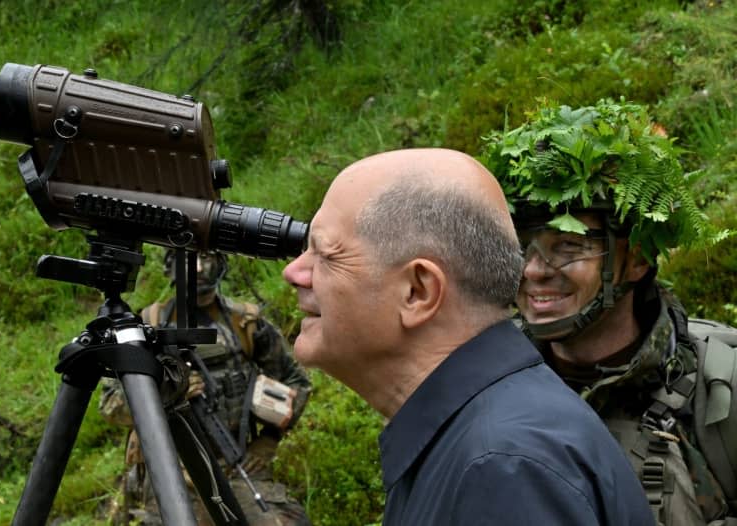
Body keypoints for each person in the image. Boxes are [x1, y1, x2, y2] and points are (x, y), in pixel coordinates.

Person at [282, 147, 655, 525]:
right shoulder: (493, 439)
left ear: (418, 291)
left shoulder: (503, 469)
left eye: (326, 255)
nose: (294, 273)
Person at [482, 99, 737, 525]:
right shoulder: (483, 382)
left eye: (568, 246)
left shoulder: (721, 390)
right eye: (519, 246)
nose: (533, 271)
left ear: (636, 259)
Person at [99, 250, 312, 526]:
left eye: (206, 258)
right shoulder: (147, 328)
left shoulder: (244, 323)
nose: (197, 268)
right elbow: (110, 402)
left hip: (235, 466)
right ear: (170, 266)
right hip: (166, 471)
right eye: (187, 258)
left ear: (221, 264)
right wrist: (164, 395)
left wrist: (269, 439)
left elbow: (296, 381)